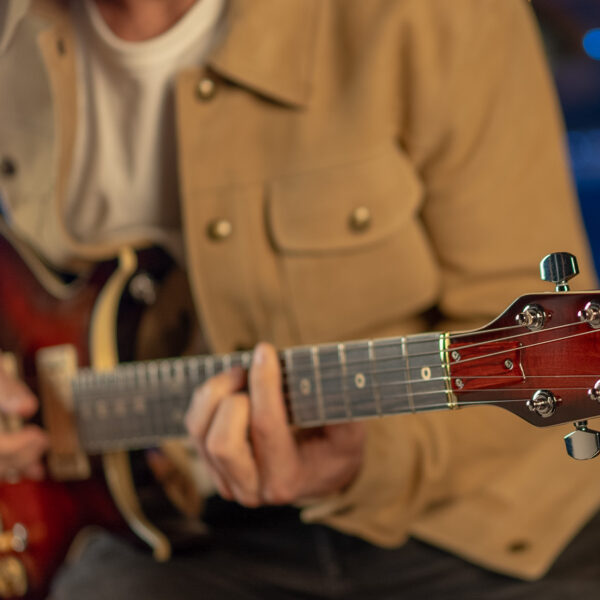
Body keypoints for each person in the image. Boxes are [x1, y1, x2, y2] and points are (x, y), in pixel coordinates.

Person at [1, 0, 600, 598]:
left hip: (482, 528)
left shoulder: (440, 14)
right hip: (175, 529)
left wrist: (363, 463)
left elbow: (550, 349)